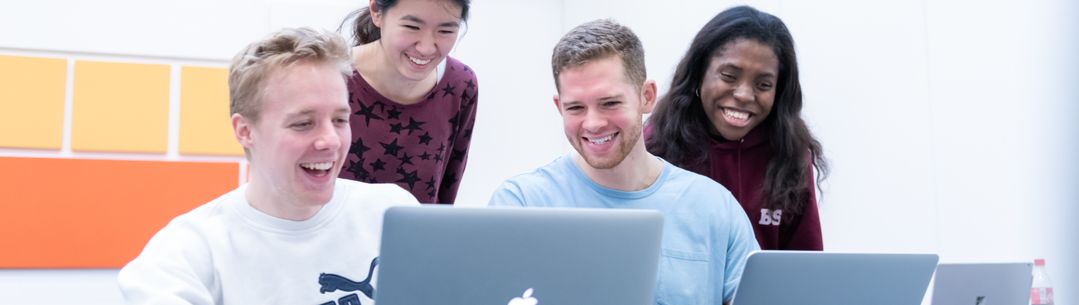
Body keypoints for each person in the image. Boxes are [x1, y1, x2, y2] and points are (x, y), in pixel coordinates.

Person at [117, 28, 419, 305]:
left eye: (340, 120)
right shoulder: (186, 255)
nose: (330, 140)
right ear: (245, 131)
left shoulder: (392, 213)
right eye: (303, 123)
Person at [488, 19, 759, 305]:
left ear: (647, 96)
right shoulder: (521, 204)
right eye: (576, 107)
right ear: (559, 107)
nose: (593, 124)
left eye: (610, 103)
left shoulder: (714, 207)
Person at [646, 6, 829, 251]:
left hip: (765, 291)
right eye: (729, 76)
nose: (743, 95)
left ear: (779, 91)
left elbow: (806, 263)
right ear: (699, 73)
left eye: (763, 84)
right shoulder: (655, 144)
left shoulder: (789, 152)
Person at [338, 0, 478, 204]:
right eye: (412, 27)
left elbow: (444, 200)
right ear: (376, 11)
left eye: (446, 31)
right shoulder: (331, 77)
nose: (426, 48)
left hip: (417, 236)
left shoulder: (460, 85)